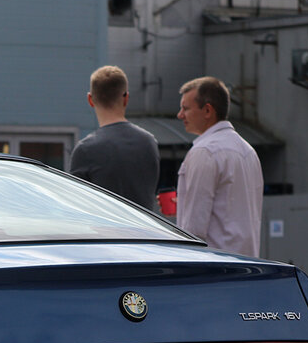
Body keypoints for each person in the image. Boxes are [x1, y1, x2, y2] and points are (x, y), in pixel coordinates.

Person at [176, 76, 263, 256]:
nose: (180, 115)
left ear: (207, 110)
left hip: (213, 267)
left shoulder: (204, 151)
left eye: (185, 108)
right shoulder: (248, 151)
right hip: (247, 265)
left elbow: (194, 229)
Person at [69, 66, 160, 209]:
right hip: (144, 230)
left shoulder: (85, 149)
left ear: (90, 99)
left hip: (104, 231)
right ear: (126, 98)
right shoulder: (149, 142)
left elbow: (76, 204)